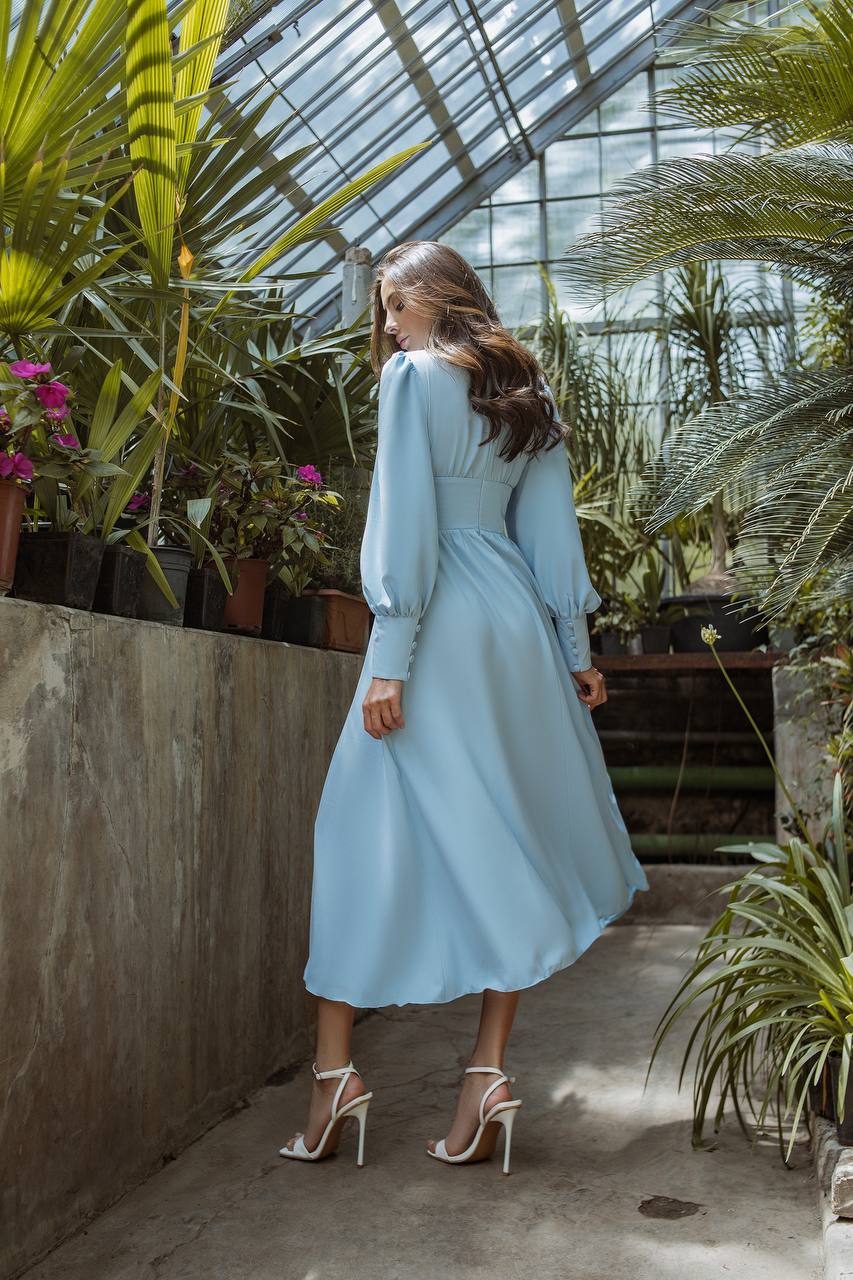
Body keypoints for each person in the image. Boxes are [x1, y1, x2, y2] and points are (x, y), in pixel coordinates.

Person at [279, 241, 649, 1173]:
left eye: (392, 303)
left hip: (436, 620)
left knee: (353, 830)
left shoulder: (411, 378)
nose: (386, 324)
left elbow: (403, 522)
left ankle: (334, 1078)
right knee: (503, 831)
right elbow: (551, 531)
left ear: (434, 297)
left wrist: (390, 659)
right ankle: (485, 1071)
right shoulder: (525, 389)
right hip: (513, 623)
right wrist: (574, 652)